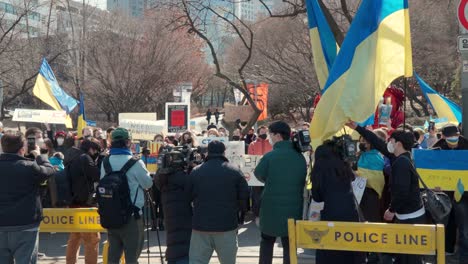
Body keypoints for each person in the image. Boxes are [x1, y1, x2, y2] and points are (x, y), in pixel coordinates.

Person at [347, 121, 425, 264]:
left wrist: (391, 209)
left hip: (410, 217)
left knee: (410, 257)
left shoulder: (401, 163)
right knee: (404, 255)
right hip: (406, 215)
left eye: (391, 140)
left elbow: (402, 191)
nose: (388, 143)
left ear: (398, 144)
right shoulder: (401, 157)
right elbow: (377, 142)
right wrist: (357, 127)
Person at [187, 141, 249, 264]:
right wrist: (240, 216)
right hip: (227, 225)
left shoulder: (196, 171)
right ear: (224, 152)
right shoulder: (235, 171)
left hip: (200, 226)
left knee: (197, 261)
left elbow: (188, 196)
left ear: (207, 152)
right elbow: (244, 197)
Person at [254, 121, 307, 264]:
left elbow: (259, 174)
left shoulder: (270, 156)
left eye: (270, 134)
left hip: (271, 208)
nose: (269, 137)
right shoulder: (300, 157)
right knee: (289, 245)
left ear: (277, 135)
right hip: (294, 208)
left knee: (266, 242)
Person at [0, 133, 56, 264]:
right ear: (22, 150)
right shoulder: (29, 167)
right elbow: (49, 170)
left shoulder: (28, 166)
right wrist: (39, 155)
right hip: (26, 225)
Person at [102, 128, 153, 264]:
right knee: (132, 258)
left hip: (110, 215)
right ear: (128, 142)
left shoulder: (105, 162)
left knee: (113, 257)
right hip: (132, 217)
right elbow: (148, 183)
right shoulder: (135, 162)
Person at [312, 140, 366, 264]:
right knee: (350, 245)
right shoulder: (344, 164)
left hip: (331, 212)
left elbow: (317, 197)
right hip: (351, 211)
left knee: (331, 247)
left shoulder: (319, 169)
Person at [431, 124, 468, 262]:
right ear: (444, 137)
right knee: (448, 222)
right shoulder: (437, 148)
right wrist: (434, 183)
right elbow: (430, 166)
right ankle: (447, 249)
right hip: (446, 194)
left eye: (456, 135)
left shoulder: (466, 145)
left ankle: (464, 256)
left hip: (464, 194)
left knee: (464, 227)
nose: (454, 138)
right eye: (450, 136)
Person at [66, 138, 102, 264]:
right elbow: (97, 175)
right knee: (92, 239)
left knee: (75, 237)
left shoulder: (72, 157)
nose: (96, 153)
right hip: (85, 204)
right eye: (95, 150)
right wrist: (100, 160)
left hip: (73, 202)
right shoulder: (85, 158)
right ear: (91, 149)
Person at [154, 159, 192, 264]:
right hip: (186, 218)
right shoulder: (186, 179)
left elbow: (157, 179)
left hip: (170, 218)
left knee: (173, 241)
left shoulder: (162, 180)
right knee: (184, 244)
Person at [248, 126, 273, 225]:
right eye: (262, 132)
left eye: (265, 131)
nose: (264, 133)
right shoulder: (252, 144)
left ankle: (269, 214)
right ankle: (257, 214)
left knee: (269, 195)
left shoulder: (272, 144)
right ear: (258, 133)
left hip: (269, 174)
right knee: (257, 196)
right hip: (256, 175)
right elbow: (250, 158)